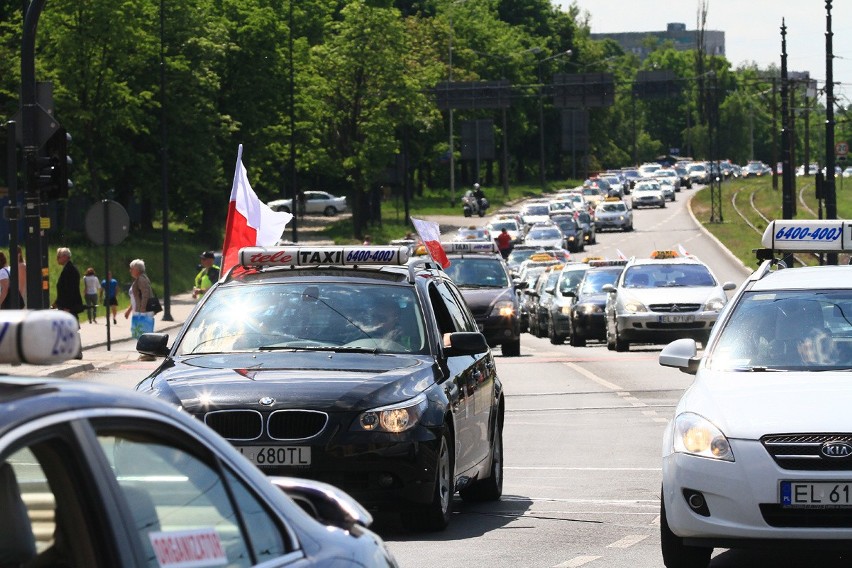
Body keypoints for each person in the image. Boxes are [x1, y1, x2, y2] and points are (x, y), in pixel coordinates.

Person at [52, 247, 84, 315]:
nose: (57, 259)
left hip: (68, 307)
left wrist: (67, 307)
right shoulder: (69, 268)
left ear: (65, 257)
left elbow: (70, 289)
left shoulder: (69, 270)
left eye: (58, 256)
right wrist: (56, 302)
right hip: (67, 306)